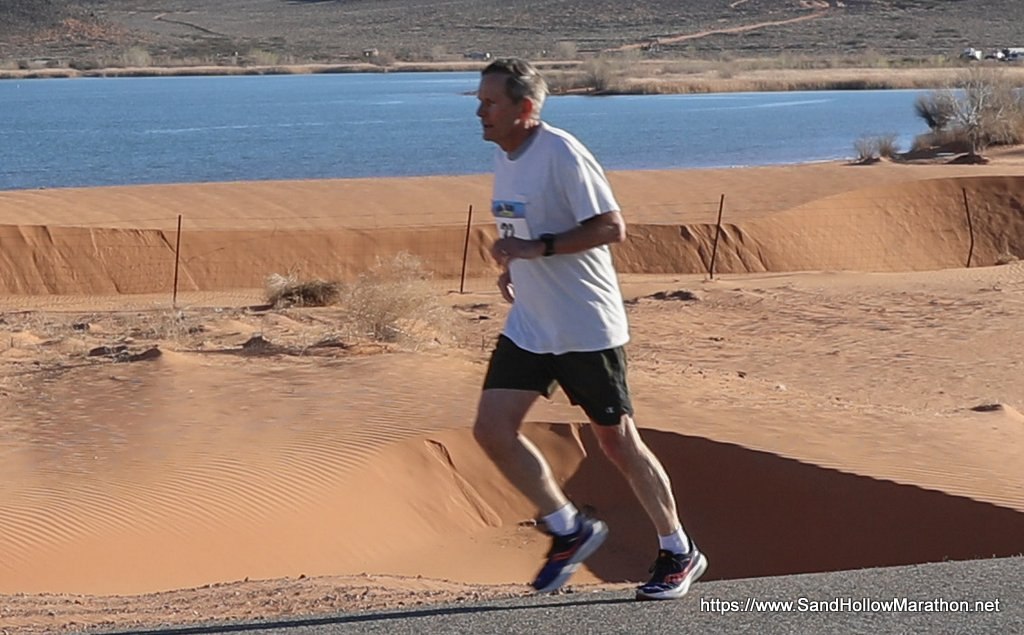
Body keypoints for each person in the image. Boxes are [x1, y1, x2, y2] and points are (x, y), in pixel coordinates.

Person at [471, 57, 707, 601]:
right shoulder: (506, 156)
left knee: (617, 443)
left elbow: (611, 227)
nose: (480, 112)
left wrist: (537, 249)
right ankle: (567, 528)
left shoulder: (562, 152)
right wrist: (515, 266)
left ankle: (678, 550)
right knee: (492, 429)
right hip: (532, 324)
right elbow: (525, 224)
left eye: (490, 102)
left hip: (585, 324)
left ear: (525, 108)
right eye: (479, 101)